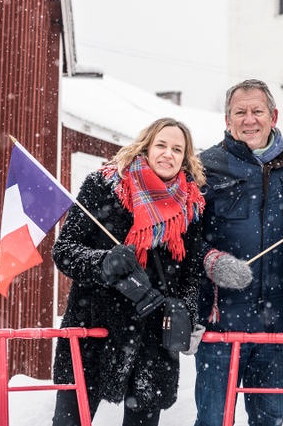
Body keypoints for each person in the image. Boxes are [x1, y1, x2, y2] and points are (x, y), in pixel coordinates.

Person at [51, 118, 206, 426]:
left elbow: (191, 275)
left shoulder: (191, 206)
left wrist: (183, 311)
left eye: (177, 148)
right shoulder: (104, 186)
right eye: (161, 145)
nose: (168, 154)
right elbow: (64, 251)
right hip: (92, 331)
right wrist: (103, 261)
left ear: (185, 157)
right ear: (145, 148)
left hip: (152, 339)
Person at [194, 79, 283, 426]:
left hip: (278, 323)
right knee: (214, 419)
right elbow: (184, 236)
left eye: (257, 111)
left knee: (269, 420)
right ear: (227, 120)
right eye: (239, 112)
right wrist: (212, 261)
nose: (249, 119)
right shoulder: (204, 167)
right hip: (222, 323)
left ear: (273, 116)